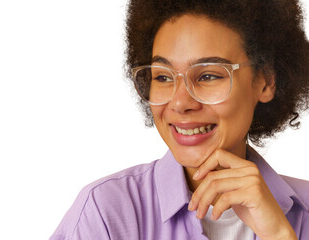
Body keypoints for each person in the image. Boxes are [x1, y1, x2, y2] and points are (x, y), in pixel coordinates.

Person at [50, 0, 309, 239]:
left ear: (265, 81)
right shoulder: (105, 213)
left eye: (208, 76)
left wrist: (279, 234)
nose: (180, 102)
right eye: (163, 77)